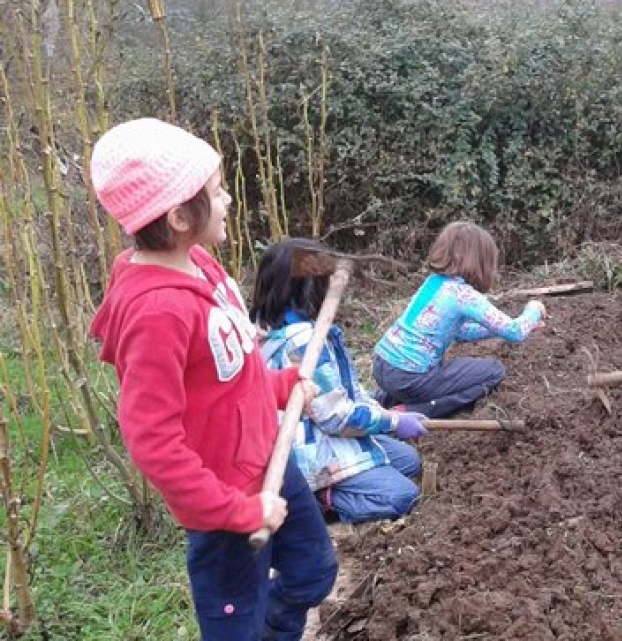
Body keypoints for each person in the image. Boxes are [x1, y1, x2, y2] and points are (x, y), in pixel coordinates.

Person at [88, 118, 337, 640]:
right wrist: (237, 510)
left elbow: (227, 375)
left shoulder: (202, 264)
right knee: (234, 628)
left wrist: (279, 384)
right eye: (216, 191)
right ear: (179, 215)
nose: (227, 200)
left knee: (313, 571)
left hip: (268, 458)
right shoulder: (157, 313)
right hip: (225, 509)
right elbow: (152, 440)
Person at [251, 238, 429, 525]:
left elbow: (348, 391)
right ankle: (321, 499)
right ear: (312, 286)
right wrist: (393, 424)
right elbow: (335, 417)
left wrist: (386, 415)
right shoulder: (304, 341)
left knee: (409, 460)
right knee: (401, 496)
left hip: (320, 432)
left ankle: (345, 484)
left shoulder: (280, 326)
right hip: (311, 453)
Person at [372, 221, 545, 419]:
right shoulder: (463, 295)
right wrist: (534, 309)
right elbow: (515, 332)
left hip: (382, 365)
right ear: (481, 261)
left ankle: (378, 401)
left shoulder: (433, 283)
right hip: (410, 378)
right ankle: (411, 412)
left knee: (424, 371)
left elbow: (460, 333)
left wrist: (498, 329)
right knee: (494, 371)